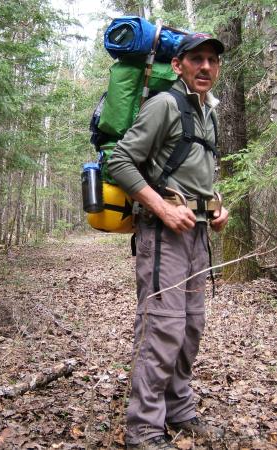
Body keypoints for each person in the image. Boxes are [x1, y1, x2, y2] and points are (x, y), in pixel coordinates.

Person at [107, 33, 229, 449]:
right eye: (197, 59)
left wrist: (217, 205)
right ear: (177, 65)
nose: (206, 67)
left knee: (190, 325)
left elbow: (197, 173)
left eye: (212, 60)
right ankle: (142, 428)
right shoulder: (164, 105)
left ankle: (178, 408)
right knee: (162, 327)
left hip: (196, 234)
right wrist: (161, 208)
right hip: (163, 235)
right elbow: (119, 161)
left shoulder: (208, 113)